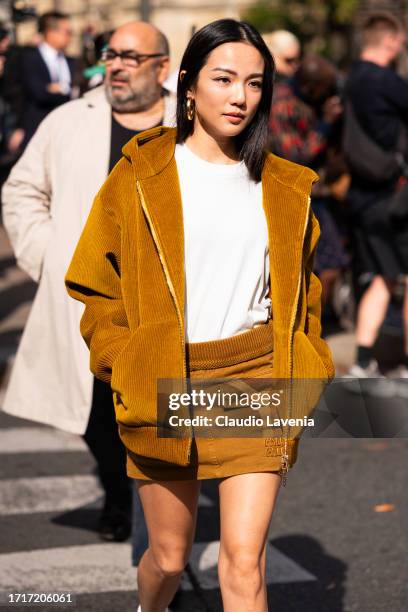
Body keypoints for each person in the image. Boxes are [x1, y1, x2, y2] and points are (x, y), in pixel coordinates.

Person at [65, 18, 334, 612]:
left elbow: (305, 295)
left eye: (255, 83)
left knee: (244, 564)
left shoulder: (284, 188)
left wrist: (308, 362)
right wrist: (121, 357)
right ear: (188, 85)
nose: (241, 96)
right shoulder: (140, 176)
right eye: (224, 78)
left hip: (256, 376)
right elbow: (93, 282)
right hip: (165, 374)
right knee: (168, 558)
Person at [2, 21, 174, 544]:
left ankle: (163, 516)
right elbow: (23, 190)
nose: (116, 65)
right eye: (110, 54)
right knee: (97, 409)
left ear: (162, 67)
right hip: (93, 297)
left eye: (130, 56)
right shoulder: (69, 119)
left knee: (159, 406)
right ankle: (120, 494)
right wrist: (47, 256)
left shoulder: (189, 121)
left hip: (167, 298)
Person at [345, 13, 408, 381]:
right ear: (389, 42)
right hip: (396, 196)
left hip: (362, 197)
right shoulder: (388, 82)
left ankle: (363, 360)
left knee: (382, 278)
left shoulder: (350, 81)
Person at [19, 11, 76, 148]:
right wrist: (66, 89)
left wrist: (57, 88)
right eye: (67, 32)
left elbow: (78, 90)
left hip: (66, 131)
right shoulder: (29, 58)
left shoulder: (71, 61)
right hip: (37, 130)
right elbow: (39, 93)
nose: (70, 37)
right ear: (51, 32)